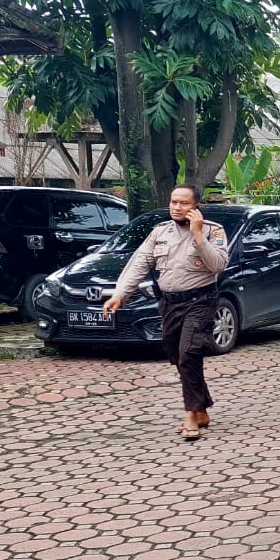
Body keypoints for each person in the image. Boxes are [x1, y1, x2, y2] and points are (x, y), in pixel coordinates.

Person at [104, 184, 228, 441]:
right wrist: (120, 294)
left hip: (201, 300)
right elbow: (139, 262)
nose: (177, 207)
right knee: (177, 356)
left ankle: (191, 415)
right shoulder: (160, 232)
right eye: (174, 202)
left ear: (196, 207)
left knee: (189, 353)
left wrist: (197, 235)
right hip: (170, 304)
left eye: (184, 203)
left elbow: (218, 265)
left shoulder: (212, 231)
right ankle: (202, 407)